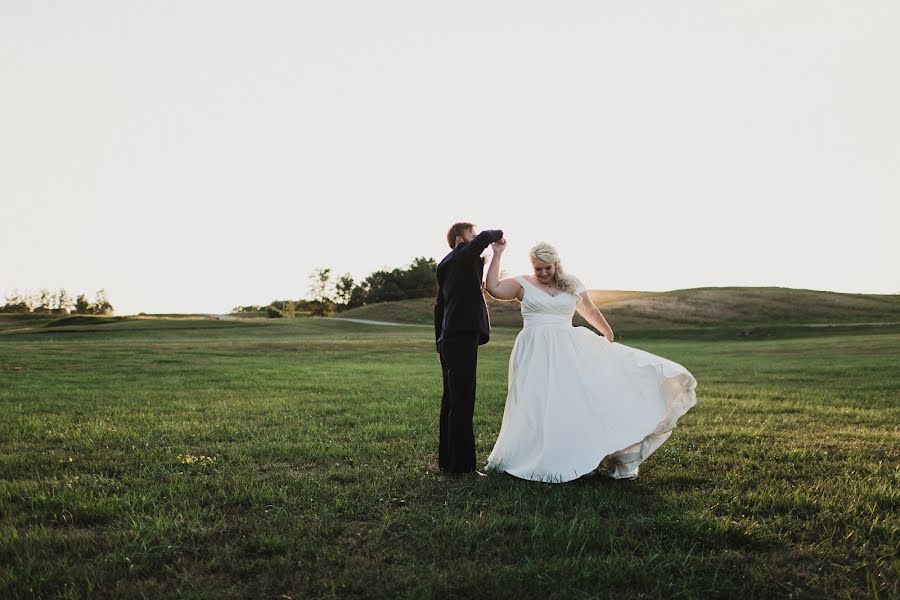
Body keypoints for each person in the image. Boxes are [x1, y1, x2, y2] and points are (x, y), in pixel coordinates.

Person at [483, 240, 697, 482]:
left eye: (547, 268)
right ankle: (529, 454)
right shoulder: (522, 283)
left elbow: (590, 310)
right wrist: (497, 254)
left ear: (556, 264)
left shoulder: (572, 284)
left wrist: (606, 332)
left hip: (568, 349)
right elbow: (493, 288)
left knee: (570, 400)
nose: (543, 273)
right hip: (534, 349)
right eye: (538, 268)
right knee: (534, 401)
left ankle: (576, 453)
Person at [434, 222, 505, 474]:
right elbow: (486, 236)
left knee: (451, 400)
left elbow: (439, 307)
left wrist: (438, 342)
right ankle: (463, 467)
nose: (476, 238)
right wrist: (499, 236)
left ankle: (448, 462)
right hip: (462, 335)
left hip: (448, 338)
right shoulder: (462, 255)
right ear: (459, 240)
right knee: (463, 399)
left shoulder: (446, 265)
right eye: (471, 235)